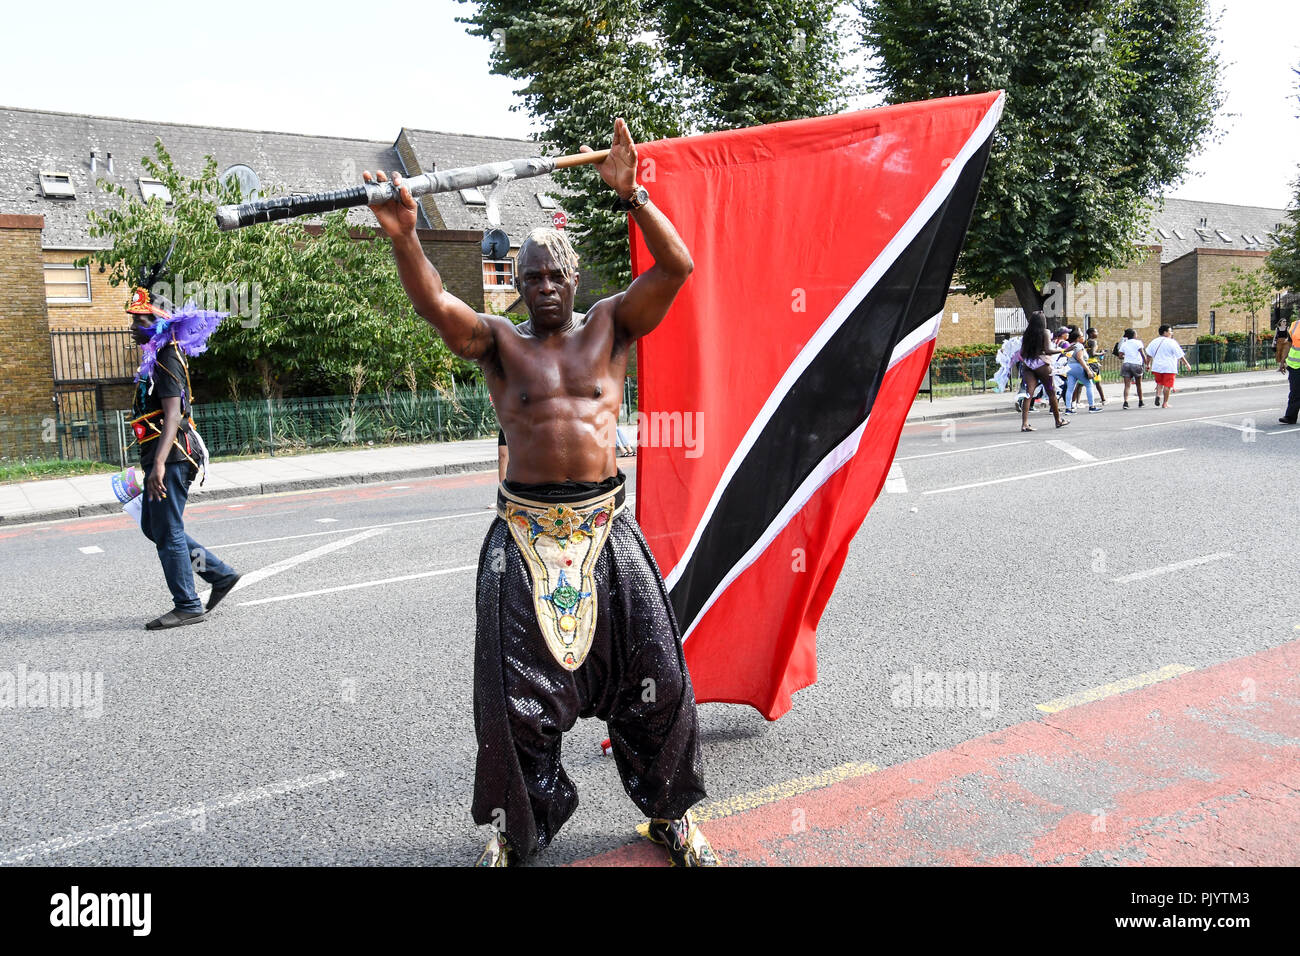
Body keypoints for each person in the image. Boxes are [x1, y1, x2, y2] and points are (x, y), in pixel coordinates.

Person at [363, 118, 714, 867]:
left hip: (607, 531)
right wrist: (404, 238)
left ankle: (670, 816)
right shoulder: (499, 343)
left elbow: (678, 266)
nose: (545, 287)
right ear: (515, 285)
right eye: (531, 277)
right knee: (510, 701)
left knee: (661, 679)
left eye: (556, 274)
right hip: (522, 540)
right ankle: (522, 830)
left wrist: (634, 195)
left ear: (575, 277)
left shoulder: (613, 327)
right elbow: (436, 308)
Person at [126, 281, 241, 630]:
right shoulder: (158, 354)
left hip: (172, 456)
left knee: (168, 530)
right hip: (161, 454)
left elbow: (173, 414)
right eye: (132, 321)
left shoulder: (166, 357)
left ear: (159, 322)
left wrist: (158, 463)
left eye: (140, 322)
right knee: (153, 525)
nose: (133, 328)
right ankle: (219, 575)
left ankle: (188, 604)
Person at [1019, 311, 1067, 431]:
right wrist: (1063, 351)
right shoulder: (1045, 332)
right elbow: (1048, 350)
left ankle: (1024, 424)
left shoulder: (1027, 333)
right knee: (1051, 392)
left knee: (1028, 394)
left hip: (1028, 365)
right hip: (1041, 365)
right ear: (1042, 321)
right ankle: (1058, 420)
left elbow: (1022, 352)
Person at [1145, 325, 1191, 409]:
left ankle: (1158, 395)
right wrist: (1186, 364)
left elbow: (1148, 355)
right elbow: (1180, 355)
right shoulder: (1172, 342)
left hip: (1157, 367)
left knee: (1159, 383)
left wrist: (1147, 364)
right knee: (1167, 385)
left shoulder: (1154, 341)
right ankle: (1165, 403)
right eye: (1170, 331)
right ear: (1165, 332)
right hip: (1169, 367)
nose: (1171, 333)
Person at [1063, 331, 1101, 413]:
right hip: (1078, 367)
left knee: (1070, 388)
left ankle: (1068, 408)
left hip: (1069, 367)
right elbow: (1080, 358)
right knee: (1089, 385)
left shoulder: (1071, 346)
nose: (1083, 338)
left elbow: (1066, 354)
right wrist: (1088, 370)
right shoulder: (1079, 346)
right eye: (1082, 336)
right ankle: (1092, 406)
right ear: (1078, 338)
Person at [1116, 328, 1147, 408]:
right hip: (1136, 364)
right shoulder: (1138, 342)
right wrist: (1147, 364)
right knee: (1138, 384)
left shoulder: (1124, 343)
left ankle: (1125, 402)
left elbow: (1120, 356)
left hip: (1126, 364)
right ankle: (1141, 402)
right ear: (1134, 335)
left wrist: (1127, 357)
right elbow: (1142, 354)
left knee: (1127, 385)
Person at [1279, 313, 1300, 424]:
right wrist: (1282, 361)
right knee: (1295, 393)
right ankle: (1290, 417)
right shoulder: (1295, 325)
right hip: (1295, 366)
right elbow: (1289, 343)